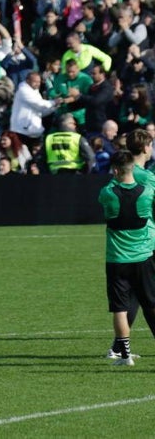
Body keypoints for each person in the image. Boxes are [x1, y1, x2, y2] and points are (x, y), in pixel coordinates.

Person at [98, 150, 155, 367]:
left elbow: (105, 204)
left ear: (114, 170)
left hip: (117, 259)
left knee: (120, 308)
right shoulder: (147, 192)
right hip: (143, 257)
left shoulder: (108, 193)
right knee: (151, 303)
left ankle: (125, 356)